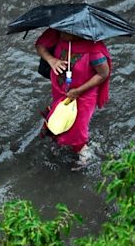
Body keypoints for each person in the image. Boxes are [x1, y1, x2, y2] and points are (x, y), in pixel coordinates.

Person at [35, 28, 111, 167]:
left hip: (83, 95)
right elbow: (40, 45)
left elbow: (103, 74)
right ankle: (60, 138)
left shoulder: (94, 49)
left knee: (77, 129)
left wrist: (78, 91)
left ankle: (84, 156)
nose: (61, 34)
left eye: (66, 32)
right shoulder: (58, 34)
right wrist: (51, 60)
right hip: (61, 89)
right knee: (60, 117)